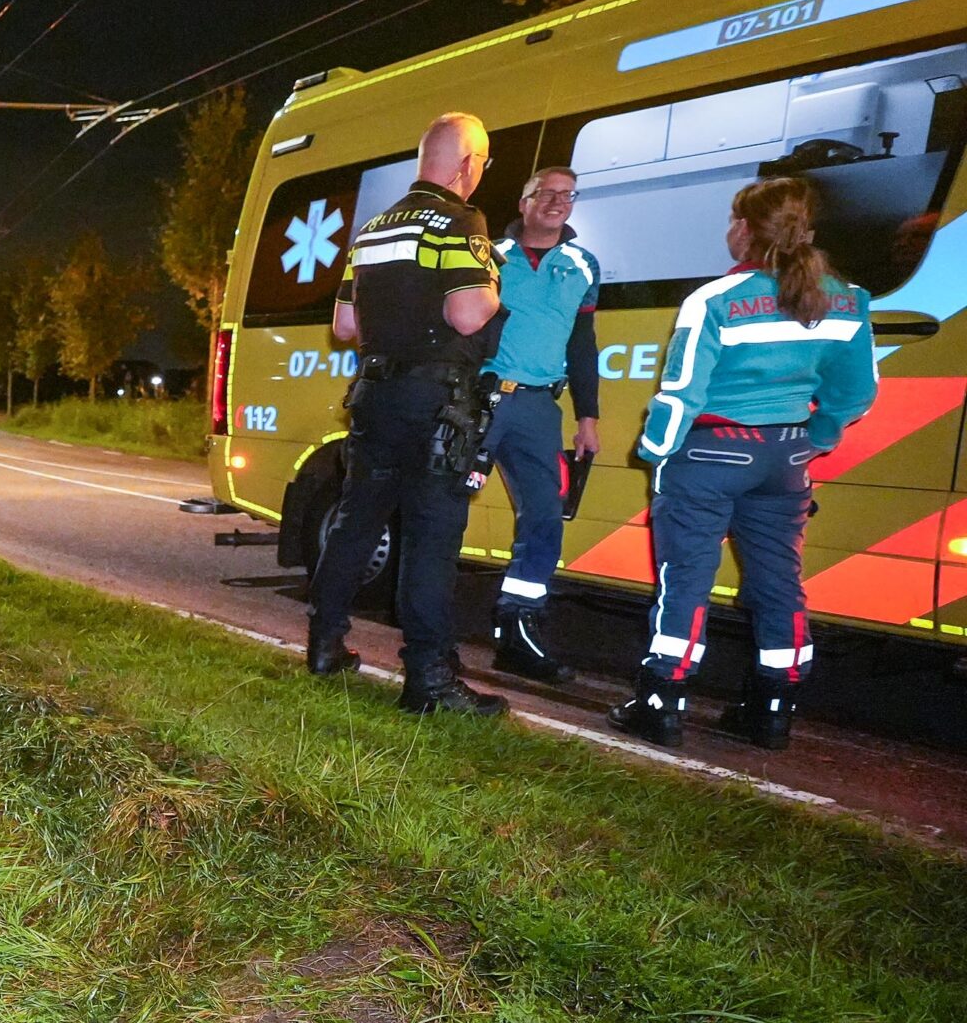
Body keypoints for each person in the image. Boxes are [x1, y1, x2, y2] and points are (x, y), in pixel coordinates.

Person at [609, 177, 878, 749]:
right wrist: (814, 440)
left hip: (708, 453)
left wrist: (655, 450)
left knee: (686, 579)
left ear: (745, 229)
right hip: (785, 457)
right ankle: (773, 710)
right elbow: (856, 393)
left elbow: (681, 391)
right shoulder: (848, 299)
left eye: (734, 219)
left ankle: (661, 704)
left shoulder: (715, 300)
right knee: (781, 581)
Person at [307, 113, 509, 716]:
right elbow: (469, 316)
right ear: (468, 164)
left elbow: (346, 325)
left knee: (355, 520)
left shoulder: (371, 229)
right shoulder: (460, 220)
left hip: (374, 396)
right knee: (430, 539)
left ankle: (324, 644)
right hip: (434, 402)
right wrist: (495, 280)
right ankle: (428, 682)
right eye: (482, 165)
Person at [483, 166, 603, 683]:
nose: (557, 203)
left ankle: (517, 634)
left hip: (538, 409)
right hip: (482, 399)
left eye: (567, 195)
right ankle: (431, 634)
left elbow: (582, 344)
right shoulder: (488, 253)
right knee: (441, 507)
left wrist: (587, 417)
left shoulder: (583, 264)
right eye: (547, 194)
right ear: (524, 200)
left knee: (544, 518)